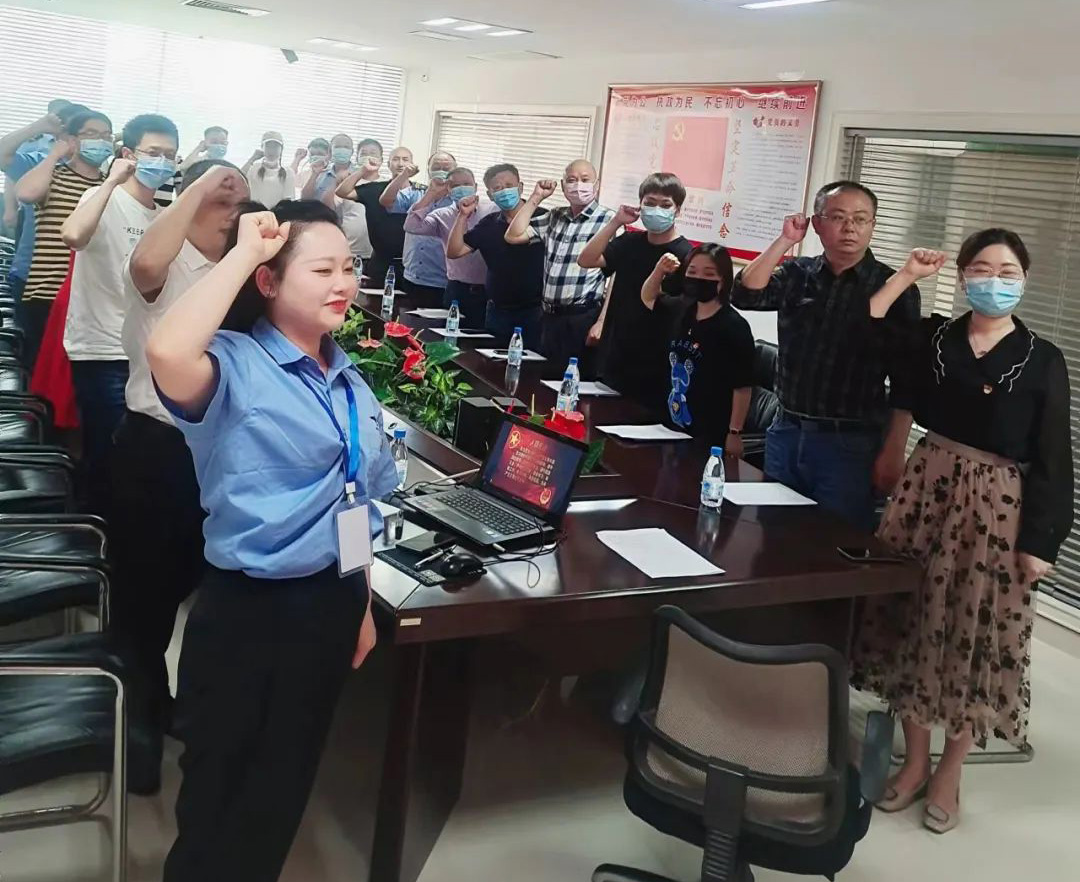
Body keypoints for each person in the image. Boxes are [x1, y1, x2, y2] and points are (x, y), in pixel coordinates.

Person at [146, 200, 396, 879]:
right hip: (249, 613)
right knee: (220, 798)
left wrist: (360, 601)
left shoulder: (348, 381)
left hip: (328, 604)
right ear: (269, 281)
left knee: (281, 790)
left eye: (349, 268)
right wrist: (243, 252)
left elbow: (356, 500)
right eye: (321, 269)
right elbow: (167, 351)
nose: (343, 283)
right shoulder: (235, 364)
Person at [852, 229, 1073, 834]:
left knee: (972, 632)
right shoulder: (936, 338)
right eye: (981, 269)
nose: (993, 281)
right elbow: (867, 334)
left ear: (1024, 280)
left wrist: (1041, 541)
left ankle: (951, 769)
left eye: (1007, 272)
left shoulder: (1042, 358)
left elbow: (1054, 454)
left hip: (997, 505)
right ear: (963, 276)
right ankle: (914, 761)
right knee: (913, 620)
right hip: (928, 488)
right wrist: (905, 276)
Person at [111, 160, 250, 773]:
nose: (232, 209)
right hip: (156, 447)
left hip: (221, 453)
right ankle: (136, 715)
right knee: (146, 592)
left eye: (240, 200)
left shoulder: (241, 271)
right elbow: (145, 262)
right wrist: (202, 180)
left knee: (201, 585)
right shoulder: (165, 265)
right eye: (221, 197)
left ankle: (176, 704)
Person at [731, 180, 920, 529]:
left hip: (850, 442)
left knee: (834, 540)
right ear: (817, 224)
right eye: (838, 217)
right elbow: (745, 295)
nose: (850, 227)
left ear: (873, 225)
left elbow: (906, 377)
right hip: (786, 430)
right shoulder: (797, 273)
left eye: (861, 219)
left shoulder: (894, 286)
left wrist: (894, 450)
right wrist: (785, 240)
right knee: (773, 534)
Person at [60, 113, 179, 513]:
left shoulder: (162, 214)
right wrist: (111, 181)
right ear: (128, 154)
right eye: (153, 152)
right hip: (101, 349)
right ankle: (93, 529)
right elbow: (73, 236)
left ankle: (121, 530)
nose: (162, 162)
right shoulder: (101, 198)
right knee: (106, 453)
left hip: (142, 353)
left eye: (170, 155)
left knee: (133, 459)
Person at [578, 172, 692, 405]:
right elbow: (586, 259)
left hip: (654, 361)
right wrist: (616, 222)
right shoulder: (630, 242)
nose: (656, 209)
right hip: (615, 353)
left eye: (665, 205)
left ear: (678, 210)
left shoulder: (685, 254)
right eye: (650, 203)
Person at [15, 109, 111, 369]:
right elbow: (25, 193)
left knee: (79, 378)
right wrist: (55, 154)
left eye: (106, 135)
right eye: (91, 134)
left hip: (91, 299)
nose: (100, 141)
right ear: (73, 140)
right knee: (44, 373)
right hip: (48, 292)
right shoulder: (54, 175)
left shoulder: (110, 185)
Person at [641, 244, 755, 456]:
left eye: (709, 274)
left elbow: (742, 386)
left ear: (723, 281)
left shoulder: (734, 326)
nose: (698, 278)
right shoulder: (681, 309)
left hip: (709, 431)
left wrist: (735, 431)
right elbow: (648, 297)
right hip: (669, 425)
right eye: (692, 272)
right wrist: (659, 271)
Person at [505, 159, 615, 372]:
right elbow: (513, 235)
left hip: (583, 316)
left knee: (574, 378)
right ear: (563, 186)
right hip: (549, 316)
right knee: (544, 378)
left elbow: (616, 278)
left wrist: (602, 322)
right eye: (572, 180)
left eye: (585, 180)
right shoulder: (555, 215)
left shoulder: (609, 220)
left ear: (597, 185)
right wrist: (536, 197)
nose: (578, 185)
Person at [0, 101, 85, 326]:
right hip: (35, 276)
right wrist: (38, 127)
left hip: (82, 280)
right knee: (34, 343)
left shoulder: (105, 173)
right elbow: (3, 155)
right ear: (62, 136)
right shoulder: (41, 163)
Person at [447, 163, 546, 348]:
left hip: (535, 311)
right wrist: (462, 216)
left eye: (509, 186)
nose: (504, 192)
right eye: (497, 188)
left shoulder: (543, 218)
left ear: (520, 187)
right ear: (490, 194)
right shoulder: (489, 223)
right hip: (497, 311)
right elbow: (454, 251)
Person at [402, 166, 493, 328]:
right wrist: (431, 193)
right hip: (456, 289)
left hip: (488, 290)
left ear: (475, 187)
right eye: (456, 185)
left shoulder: (491, 210)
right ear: (449, 190)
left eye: (466, 184)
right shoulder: (442, 215)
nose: (462, 188)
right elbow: (411, 226)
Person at [380, 150, 456, 305]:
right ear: (428, 169)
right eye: (436, 167)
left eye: (446, 168)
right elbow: (386, 201)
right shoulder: (416, 192)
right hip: (411, 276)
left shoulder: (457, 201)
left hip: (442, 280)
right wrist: (404, 176)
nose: (441, 171)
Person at [337, 144, 413, 285]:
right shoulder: (375, 188)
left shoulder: (419, 192)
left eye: (405, 159)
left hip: (411, 265)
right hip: (380, 262)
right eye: (396, 159)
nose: (401, 164)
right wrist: (363, 170)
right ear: (388, 164)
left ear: (412, 164)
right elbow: (342, 192)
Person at [242, 130, 296, 208]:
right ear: (262, 147)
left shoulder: (288, 172)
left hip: (278, 213)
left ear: (281, 149)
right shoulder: (253, 168)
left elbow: (288, 200)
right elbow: (238, 178)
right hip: (253, 212)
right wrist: (252, 159)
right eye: (268, 146)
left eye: (275, 147)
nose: (272, 150)